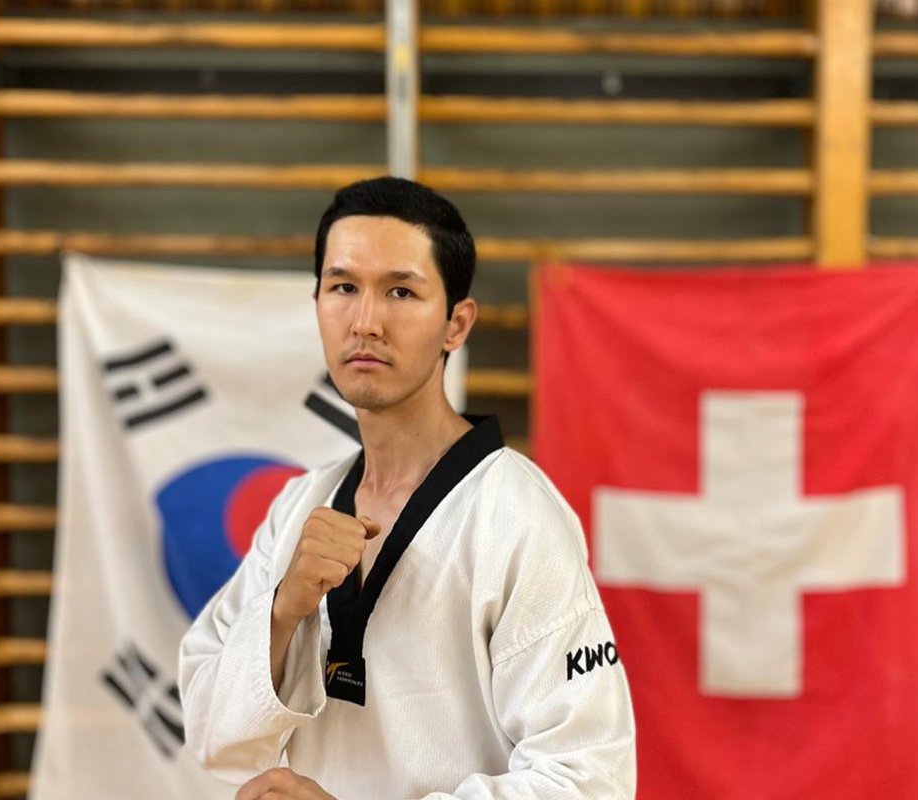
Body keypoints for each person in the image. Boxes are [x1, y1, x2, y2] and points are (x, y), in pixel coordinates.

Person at [178, 176, 637, 800]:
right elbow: (211, 734)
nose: (365, 322)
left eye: (400, 291)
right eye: (343, 287)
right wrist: (283, 611)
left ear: (456, 324)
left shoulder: (516, 517)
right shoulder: (299, 508)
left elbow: (589, 780)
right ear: (317, 303)